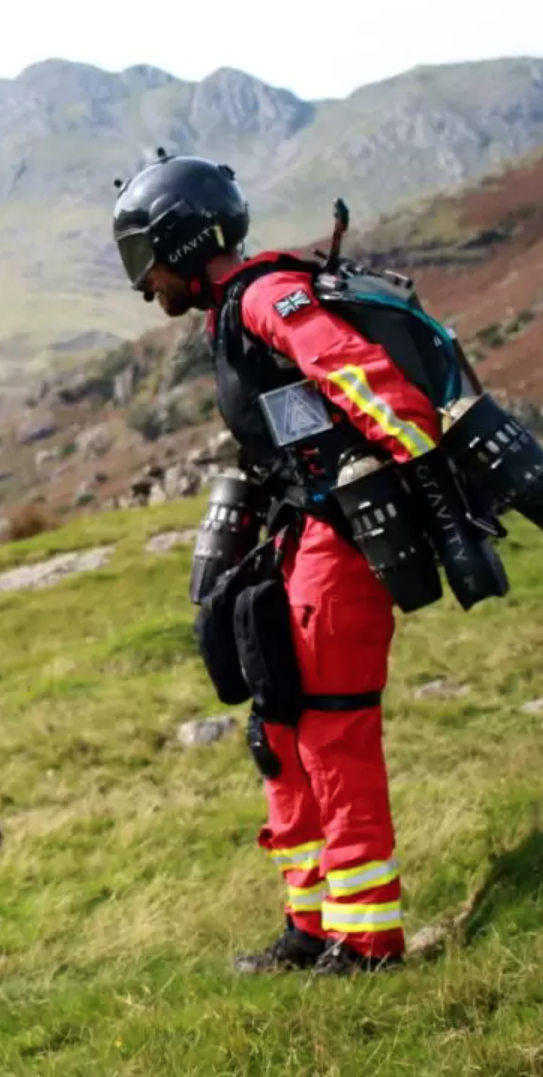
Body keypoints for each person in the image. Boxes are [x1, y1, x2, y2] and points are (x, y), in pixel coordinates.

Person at [110, 150, 448, 976]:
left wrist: (418, 469)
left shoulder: (266, 297)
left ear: (184, 243)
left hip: (342, 541)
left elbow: (358, 374)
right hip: (299, 534)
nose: (143, 280)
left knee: (334, 731)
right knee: (281, 729)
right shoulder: (228, 313)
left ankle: (367, 941)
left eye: (144, 257)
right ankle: (309, 925)